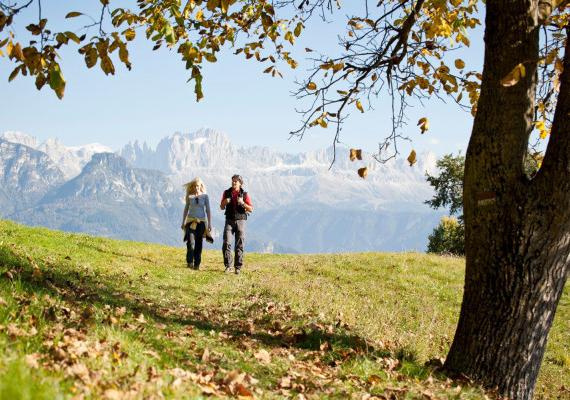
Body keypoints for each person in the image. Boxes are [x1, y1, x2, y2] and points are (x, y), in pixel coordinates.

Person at [220, 174, 253, 274]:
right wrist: (225, 201)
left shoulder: (245, 194)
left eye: (236, 181)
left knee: (239, 244)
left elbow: (251, 209)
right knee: (226, 242)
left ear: (240, 183)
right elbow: (221, 207)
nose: (234, 182)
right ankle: (228, 266)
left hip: (241, 220)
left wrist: (242, 203)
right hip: (229, 220)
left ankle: (237, 267)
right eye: (233, 181)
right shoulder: (226, 193)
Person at [181, 177, 212, 270]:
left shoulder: (205, 196)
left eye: (197, 186)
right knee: (190, 242)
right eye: (194, 186)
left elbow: (208, 210)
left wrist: (209, 223)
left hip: (201, 222)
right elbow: (186, 209)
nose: (196, 188)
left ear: (200, 186)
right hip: (190, 221)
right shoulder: (189, 196)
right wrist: (183, 221)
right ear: (192, 187)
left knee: (199, 243)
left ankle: (197, 264)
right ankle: (190, 261)